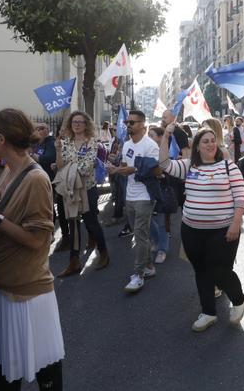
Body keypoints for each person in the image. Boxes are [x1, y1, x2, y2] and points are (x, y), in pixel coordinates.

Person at [0, 109, 64, 390]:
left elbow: (38, 240)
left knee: (42, 370)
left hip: (25, 290)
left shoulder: (35, 179)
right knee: (3, 370)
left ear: (1, 138)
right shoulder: (8, 170)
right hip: (2, 282)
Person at [159, 125, 244, 331]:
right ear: (196, 146)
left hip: (223, 230)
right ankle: (208, 312)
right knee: (201, 270)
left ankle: (239, 299)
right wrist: (167, 135)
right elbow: (163, 163)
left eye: (212, 140)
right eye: (205, 141)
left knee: (220, 270)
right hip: (191, 230)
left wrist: (235, 223)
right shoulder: (189, 166)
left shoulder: (228, 167)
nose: (210, 144)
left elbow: (240, 198)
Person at [107, 110, 159, 293]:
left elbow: (145, 171)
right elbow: (126, 166)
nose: (128, 125)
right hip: (130, 195)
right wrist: (116, 166)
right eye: (128, 122)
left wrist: (121, 170)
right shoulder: (127, 143)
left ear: (142, 125)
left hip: (145, 196)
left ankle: (138, 275)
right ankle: (149, 267)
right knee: (141, 234)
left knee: (139, 235)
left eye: (132, 122)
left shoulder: (150, 145)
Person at [54, 111, 109, 276]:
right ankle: (74, 261)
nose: (77, 124)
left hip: (87, 188)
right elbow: (60, 166)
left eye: (80, 122)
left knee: (91, 221)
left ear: (86, 125)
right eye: (74, 122)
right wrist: (58, 151)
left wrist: (68, 168)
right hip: (70, 188)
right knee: (73, 224)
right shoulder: (66, 143)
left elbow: (86, 168)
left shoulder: (92, 142)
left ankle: (104, 253)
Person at [146, 126, 170, 264]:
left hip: (162, 190)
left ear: (160, 138)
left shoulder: (164, 151)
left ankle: (162, 249)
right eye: (148, 135)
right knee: (148, 219)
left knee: (161, 222)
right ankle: (156, 241)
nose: (149, 138)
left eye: (152, 135)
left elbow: (167, 171)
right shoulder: (146, 149)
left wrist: (158, 173)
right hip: (147, 190)